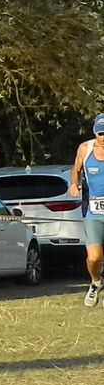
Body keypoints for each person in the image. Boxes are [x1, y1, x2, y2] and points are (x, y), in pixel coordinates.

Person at [70, 113, 104, 307]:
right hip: (93, 211)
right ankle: (96, 282)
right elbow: (75, 169)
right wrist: (74, 184)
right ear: (94, 133)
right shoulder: (85, 148)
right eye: (100, 133)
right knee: (94, 257)